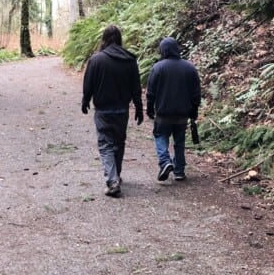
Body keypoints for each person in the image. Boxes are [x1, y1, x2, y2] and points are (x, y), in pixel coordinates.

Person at [82, 25, 144, 197]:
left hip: (103, 110)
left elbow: (88, 83)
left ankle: (112, 180)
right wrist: (139, 108)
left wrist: (85, 100)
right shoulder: (129, 60)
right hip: (121, 111)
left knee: (105, 144)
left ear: (104, 38)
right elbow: (136, 88)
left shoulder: (96, 60)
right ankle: (116, 175)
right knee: (119, 142)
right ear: (119, 39)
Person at [146, 37, 201, 182]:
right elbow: (196, 93)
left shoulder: (158, 67)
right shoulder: (190, 68)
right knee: (179, 141)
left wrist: (149, 108)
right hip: (183, 113)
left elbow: (150, 92)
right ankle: (179, 171)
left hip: (163, 113)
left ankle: (165, 162)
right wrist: (194, 110)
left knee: (160, 136)